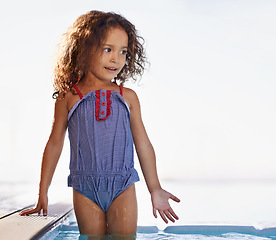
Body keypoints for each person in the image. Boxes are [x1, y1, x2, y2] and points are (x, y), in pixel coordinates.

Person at [20, 10, 180, 238]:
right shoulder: (69, 97)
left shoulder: (128, 97)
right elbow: (55, 144)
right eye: (108, 49)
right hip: (84, 189)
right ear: (83, 50)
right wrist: (42, 193)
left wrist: (154, 188)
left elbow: (143, 143)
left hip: (122, 185)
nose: (116, 58)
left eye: (123, 51)